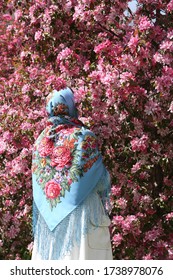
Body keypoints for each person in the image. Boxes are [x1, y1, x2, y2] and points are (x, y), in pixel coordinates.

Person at [31, 87, 113, 260]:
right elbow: (101, 182)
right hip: (84, 217)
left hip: (49, 224)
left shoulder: (40, 141)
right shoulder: (84, 136)